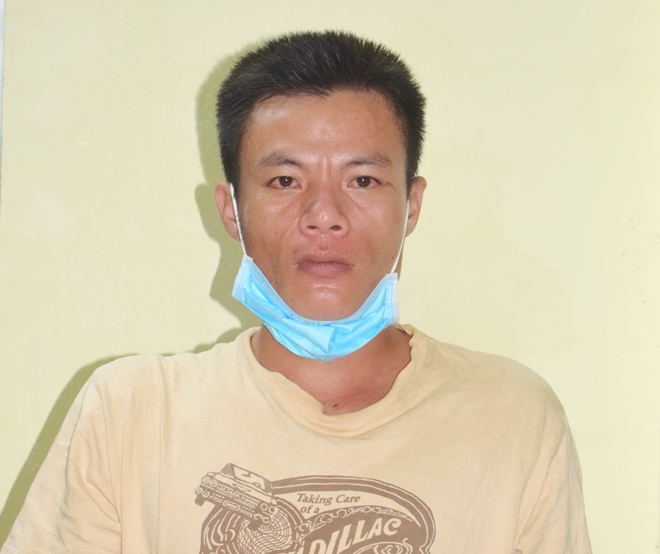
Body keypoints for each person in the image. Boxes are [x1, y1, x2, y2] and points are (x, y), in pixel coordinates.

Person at [1, 31, 591, 554]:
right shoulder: (131, 414)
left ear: (411, 205)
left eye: (363, 180)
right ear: (231, 210)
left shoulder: (512, 416)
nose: (324, 215)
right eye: (285, 180)